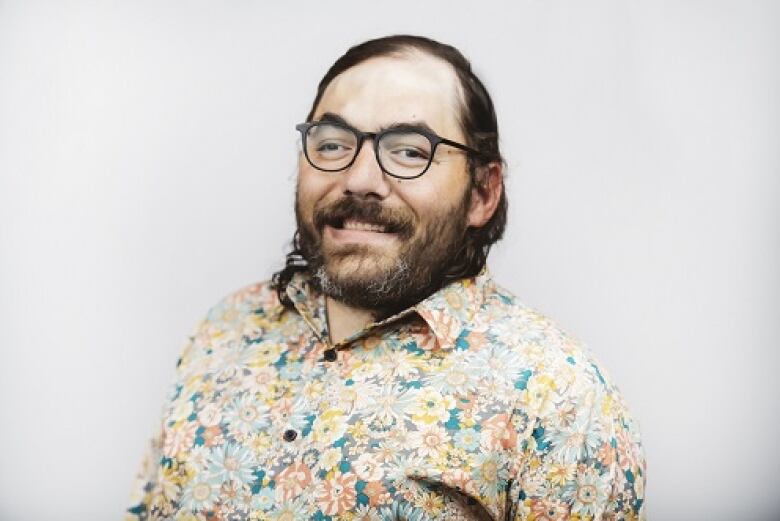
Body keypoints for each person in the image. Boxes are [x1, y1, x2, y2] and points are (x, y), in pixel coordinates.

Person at [127, 34, 646, 520]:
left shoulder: (556, 395)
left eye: (409, 151)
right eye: (332, 144)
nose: (359, 180)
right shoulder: (227, 329)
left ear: (482, 193)